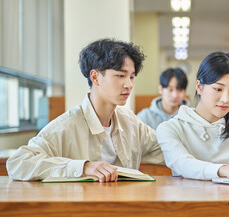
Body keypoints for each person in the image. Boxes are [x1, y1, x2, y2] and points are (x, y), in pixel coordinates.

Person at [6, 39, 164, 182]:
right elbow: (18, 163)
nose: (128, 85)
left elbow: (167, 148)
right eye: (120, 75)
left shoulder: (131, 122)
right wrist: (83, 167)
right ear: (95, 77)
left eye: (131, 77)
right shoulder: (67, 125)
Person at [156, 51, 229, 180]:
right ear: (199, 87)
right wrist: (224, 170)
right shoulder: (170, 128)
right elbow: (183, 164)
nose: (225, 99)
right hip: (190, 198)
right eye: (218, 89)